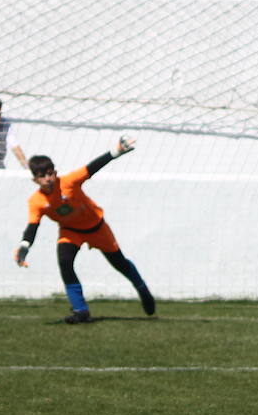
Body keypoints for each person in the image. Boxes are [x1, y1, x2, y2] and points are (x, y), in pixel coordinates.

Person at [13, 135, 155, 323]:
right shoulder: (36, 201)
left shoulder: (69, 182)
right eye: (42, 175)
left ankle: (142, 289)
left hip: (97, 227)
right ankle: (81, 310)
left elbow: (91, 168)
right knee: (65, 261)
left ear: (55, 172)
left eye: (50, 173)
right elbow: (32, 227)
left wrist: (116, 152)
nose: (48, 178)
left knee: (119, 263)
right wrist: (24, 247)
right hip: (70, 231)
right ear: (35, 180)